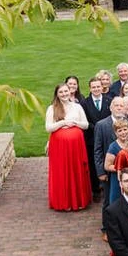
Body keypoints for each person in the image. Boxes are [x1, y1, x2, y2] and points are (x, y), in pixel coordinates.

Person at [45, 83, 91, 211]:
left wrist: (75, 123)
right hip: (59, 147)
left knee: (77, 170)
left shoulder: (77, 107)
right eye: (61, 92)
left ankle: (79, 200)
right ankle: (64, 202)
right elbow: (48, 127)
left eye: (66, 91)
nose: (64, 94)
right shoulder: (52, 108)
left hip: (76, 147)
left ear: (70, 92)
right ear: (57, 94)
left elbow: (86, 124)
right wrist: (63, 122)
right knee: (62, 172)